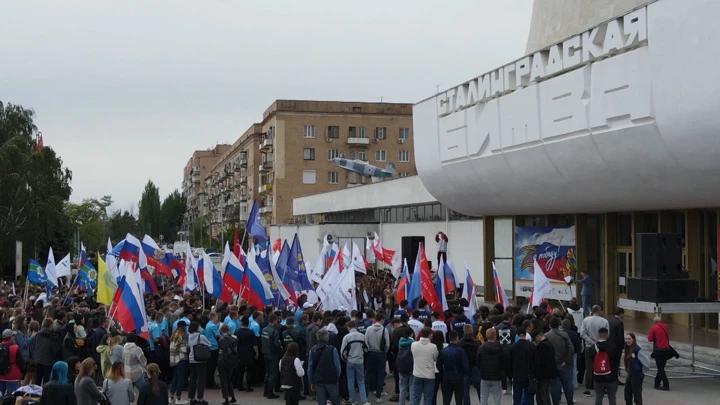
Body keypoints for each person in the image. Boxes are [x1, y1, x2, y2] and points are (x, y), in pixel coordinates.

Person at [580, 305, 609, 397]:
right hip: (601, 347)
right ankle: (602, 388)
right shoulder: (604, 321)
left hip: (589, 346)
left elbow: (582, 334)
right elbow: (607, 334)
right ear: (599, 311)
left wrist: (591, 341)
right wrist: (599, 341)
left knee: (589, 368)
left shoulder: (586, 320)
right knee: (602, 367)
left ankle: (587, 389)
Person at [545, 317, 574, 405]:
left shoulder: (546, 336)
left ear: (549, 324)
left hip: (553, 364)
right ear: (559, 324)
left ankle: (555, 403)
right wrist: (566, 360)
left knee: (554, 386)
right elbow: (571, 349)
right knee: (567, 385)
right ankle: (570, 402)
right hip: (563, 363)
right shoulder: (564, 335)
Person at [308, 328, 341, 405]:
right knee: (335, 400)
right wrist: (336, 378)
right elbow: (338, 368)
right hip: (331, 379)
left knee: (321, 401)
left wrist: (311, 381)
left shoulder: (312, 350)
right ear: (327, 337)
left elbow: (310, 368)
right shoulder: (333, 349)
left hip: (318, 379)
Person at [508, 323, 538, 405]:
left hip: (516, 375)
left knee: (517, 397)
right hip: (529, 375)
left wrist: (510, 375)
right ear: (525, 334)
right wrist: (535, 375)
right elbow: (536, 362)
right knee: (529, 397)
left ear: (517, 335)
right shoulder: (532, 346)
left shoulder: (513, 347)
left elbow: (509, 363)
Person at [437, 330, 469, 405]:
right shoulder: (460, 351)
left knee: (446, 399)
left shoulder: (443, 351)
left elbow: (439, 365)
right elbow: (465, 365)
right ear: (457, 338)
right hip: (458, 377)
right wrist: (464, 374)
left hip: (447, 377)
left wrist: (443, 373)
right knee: (459, 399)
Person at [341, 322, 368, 405]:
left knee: (350, 381)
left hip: (350, 361)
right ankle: (364, 401)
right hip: (360, 361)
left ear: (348, 327)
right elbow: (366, 349)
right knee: (361, 381)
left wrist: (346, 359)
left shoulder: (346, 337)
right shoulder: (362, 336)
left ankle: (352, 400)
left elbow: (343, 352)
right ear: (355, 327)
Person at [365, 312, 390, 404]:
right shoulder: (384, 330)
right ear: (382, 320)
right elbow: (387, 344)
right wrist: (385, 351)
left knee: (368, 374)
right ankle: (378, 396)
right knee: (380, 374)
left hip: (371, 353)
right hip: (381, 354)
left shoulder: (368, 329)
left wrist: (368, 349)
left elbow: (365, 341)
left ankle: (366, 396)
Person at [476, 328, 505, 405]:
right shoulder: (500, 348)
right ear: (495, 336)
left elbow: (478, 362)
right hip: (497, 376)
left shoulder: (481, 348)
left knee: (483, 397)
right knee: (497, 398)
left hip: (484, 375)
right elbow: (503, 362)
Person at [411, 327, 439, 405]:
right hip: (429, 375)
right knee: (428, 397)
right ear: (430, 335)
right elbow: (436, 358)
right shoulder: (433, 346)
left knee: (415, 397)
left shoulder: (413, 344)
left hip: (417, 373)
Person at [592, 327, 618, 405]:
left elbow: (592, 358)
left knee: (598, 396)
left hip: (598, 376)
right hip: (611, 376)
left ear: (598, 335)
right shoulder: (612, 346)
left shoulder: (594, 346)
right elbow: (616, 360)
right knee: (612, 397)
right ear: (607, 335)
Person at [188, 321, 211, 405]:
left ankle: (191, 398)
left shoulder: (190, 336)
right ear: (197, 328)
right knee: (201, 379)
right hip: (200, 359)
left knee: (192, 379)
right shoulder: (201, 336)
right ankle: (200, 398)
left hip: (191, 359)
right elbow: (209, 344)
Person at [647, 315, 672, 391]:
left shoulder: (653, 328)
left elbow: (650, 339)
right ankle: (656, 383)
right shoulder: (665, 326)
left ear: (655, 322)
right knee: (661, 368)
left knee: (660, 368)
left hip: (658, 351)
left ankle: (666, 384)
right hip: (666, 350)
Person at [234, 316, 257, 393]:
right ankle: (248, 386)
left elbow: (235, 342)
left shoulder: (237, 331)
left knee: (240, 370)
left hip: (240, 352)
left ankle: (239, 385)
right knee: (249, 370)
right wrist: (256, 353)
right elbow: (254, 344)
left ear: (241, 323)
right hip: (249, 352)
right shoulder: (251, 332)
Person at [33, 318, 58, 385]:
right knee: (46, 380)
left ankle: (36, 394)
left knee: (38, 379)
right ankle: (45, 394)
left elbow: (34, 346)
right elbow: (54, 349)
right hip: (48, 360)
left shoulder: (38, 334)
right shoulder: (53, 335)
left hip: (38, 359)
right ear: (51, 325)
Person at [0, 329, 26, 396]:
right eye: (13, 336)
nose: (14, 337)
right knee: (13, 397)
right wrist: (23, 372)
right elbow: (22, 363)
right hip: (12, 376)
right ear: (11, 337)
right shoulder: (15, 347)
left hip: (0, 375)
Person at [216, 325, 238, 405]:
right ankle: (232, 396)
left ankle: (226, 399)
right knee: (229, 379)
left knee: (223, 381)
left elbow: (221, 350)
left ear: (221, 331)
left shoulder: (221, 340)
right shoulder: (234, 338)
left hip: (223, 361)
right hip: (232, 361)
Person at [169, 320, 189, 404]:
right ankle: (178, 398)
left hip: (174, 359)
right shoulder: (180, 335)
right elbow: (178, 347)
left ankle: (171, 396)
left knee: (175, 378)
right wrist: (186, 348)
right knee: (180, 378)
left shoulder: (174, 334)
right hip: (180, 358)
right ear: (182, 327)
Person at [395, 327, 414, 405]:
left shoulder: (400, 341)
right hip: (410, 366)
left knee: (402, 387)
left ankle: (401, 403)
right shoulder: (413, 342)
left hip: (401, 366)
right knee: (412, 387)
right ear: (410, 334)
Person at [608, 308, 625, 384]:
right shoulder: (619, 323)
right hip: (616, 347)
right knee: (616, 363)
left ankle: (610, 377)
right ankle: (614, 378)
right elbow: (620, 336)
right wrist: (622, 346)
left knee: (610, 363)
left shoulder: (609, 321)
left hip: (609, 345)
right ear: (621, 314)